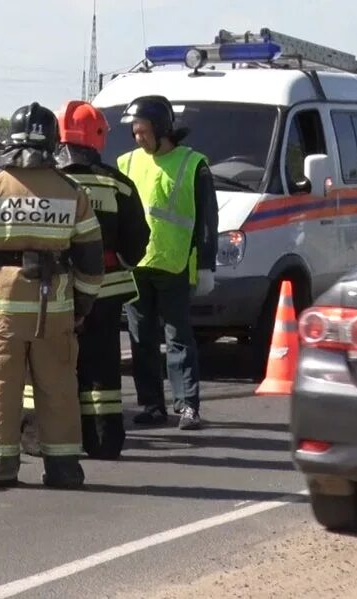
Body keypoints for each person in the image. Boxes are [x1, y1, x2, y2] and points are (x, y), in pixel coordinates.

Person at [0, 102, 105, 488]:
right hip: (55, 310)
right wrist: (82, 304)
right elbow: (91, 260)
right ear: (52, 143)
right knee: (58, 388)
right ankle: (63, 468)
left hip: (2, 311)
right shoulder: (71, 192)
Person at [20, 100, 149, 460]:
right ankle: (103, 439)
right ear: (98, 136)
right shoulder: (118, 185)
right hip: (104, 294)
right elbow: (138, 241)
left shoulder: (44, 182)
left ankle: (36, 437)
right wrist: (117, 262)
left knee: (43, 365)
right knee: (101, 367)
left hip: (48, 291)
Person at [116, 95, 218, 430]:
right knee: (141, 339)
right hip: (136, 265)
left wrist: (206, 264)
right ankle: (152, 405)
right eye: (134, 132)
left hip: (174, 264)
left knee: (178, 338)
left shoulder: (193, 164)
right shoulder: (126, 163)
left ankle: (187, 406)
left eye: (143, 131)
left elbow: (207, 220)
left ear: (161, 129)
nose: (138, 138)